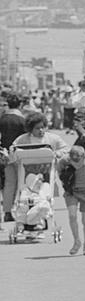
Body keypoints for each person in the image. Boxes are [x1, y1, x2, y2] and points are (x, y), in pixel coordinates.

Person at [1, 93, 27, 222]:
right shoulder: (22, 120)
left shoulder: (2, 119)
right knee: (22, 183)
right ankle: (20, 210)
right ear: (20, 104)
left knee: (9, 184)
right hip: (20, 155)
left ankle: (7, 211)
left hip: (5, 155)